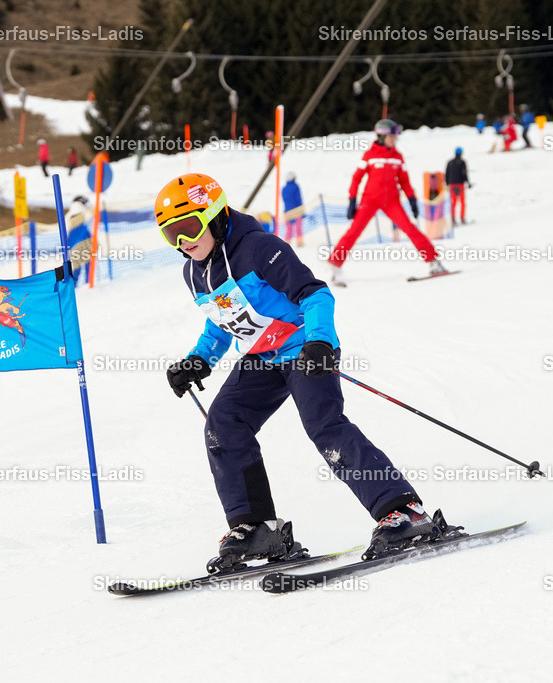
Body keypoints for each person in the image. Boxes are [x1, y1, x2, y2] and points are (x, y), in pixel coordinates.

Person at [156, 172, 435, 569]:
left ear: (215, 216)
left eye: (189, 227)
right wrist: (198, 359)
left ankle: (403, 511)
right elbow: (221, 320)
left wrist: (320, 341)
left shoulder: (259, 249)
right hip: (262, 357)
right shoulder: (195, 271)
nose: (184, 242)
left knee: (324, 426)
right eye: (171, 235)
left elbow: (314, 293)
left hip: (305, 348)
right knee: (223, 423)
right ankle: (256, 528)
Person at [329, 119, 446, 284]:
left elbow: (404, 181)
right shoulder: (369, 155)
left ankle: (434, 262)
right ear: (382, 136)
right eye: (391, 136)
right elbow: (356, 179)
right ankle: (335, 265)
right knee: (354, 232)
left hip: (392, 202)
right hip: (370, 200)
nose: (394, 139)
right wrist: (352, 199)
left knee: (411, 229)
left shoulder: (398, 157)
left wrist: (412, 198)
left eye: (395, 136)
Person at [444, 147, 470, 225]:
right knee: (462, 202)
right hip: (460, 185)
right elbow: (464, 173)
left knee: (453, 202)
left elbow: (446, 173)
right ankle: (462, 218)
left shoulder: (450, 162)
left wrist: (447, 183)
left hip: (452, 185)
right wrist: (468, 182)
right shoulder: (462, 162)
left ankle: (453, 218)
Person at [281, 172, 305, 243]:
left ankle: (287, 242)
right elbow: (298, 199)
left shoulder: (284, 188)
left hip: (287, 211)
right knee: (298, 228)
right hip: (297, 211)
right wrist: (302, 209)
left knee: (289, 228)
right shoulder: (296, 187)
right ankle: (299, 242)